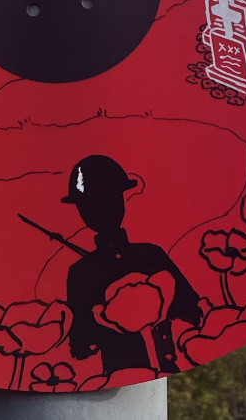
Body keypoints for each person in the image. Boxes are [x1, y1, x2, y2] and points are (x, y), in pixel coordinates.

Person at [63, 155, 202, 375]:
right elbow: (80, 345)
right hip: (119, 376)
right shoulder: (81, 273)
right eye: (89, 205)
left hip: (166, 369)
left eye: (108, 198)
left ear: (120, 200)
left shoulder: (150, 255)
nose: (99, 210)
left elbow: (193, 310)